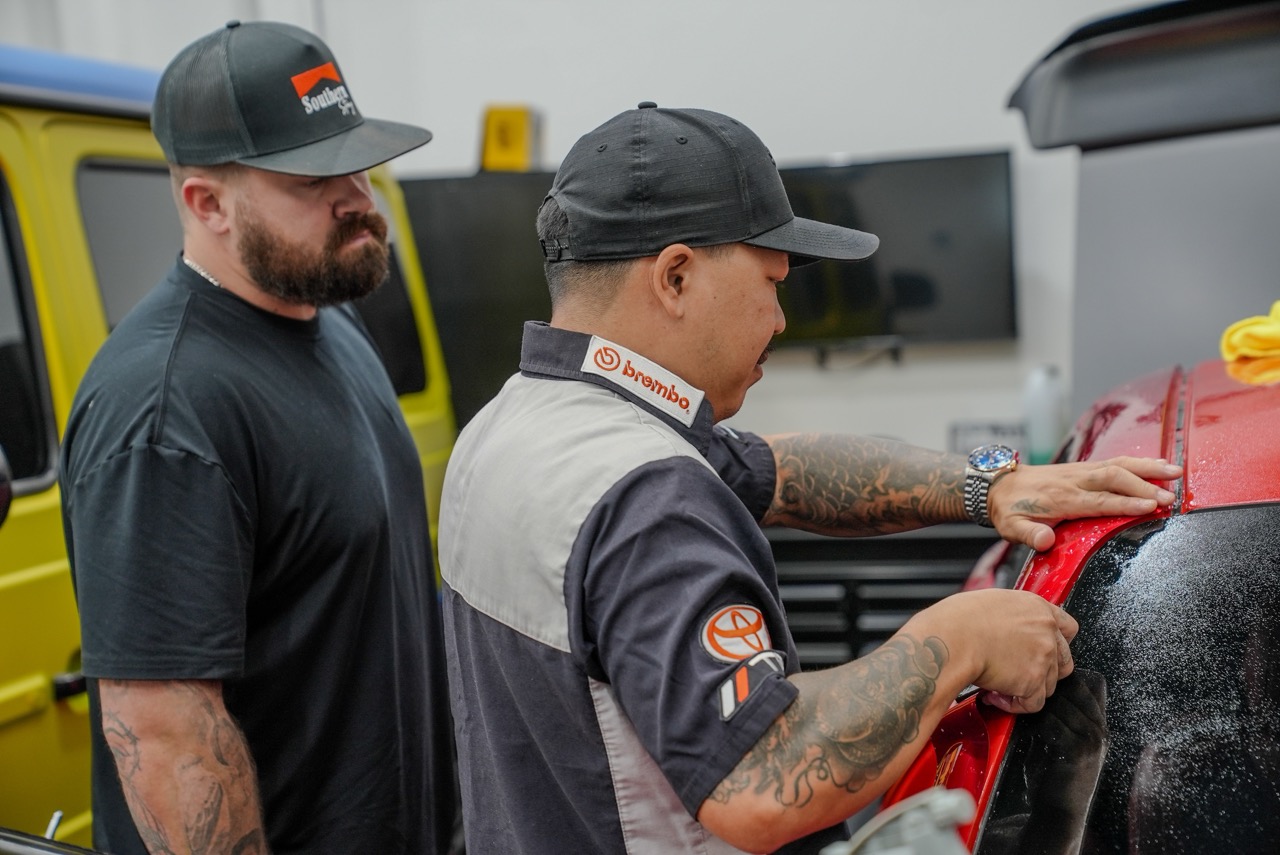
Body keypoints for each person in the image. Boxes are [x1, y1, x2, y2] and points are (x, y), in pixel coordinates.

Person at [437, 103, 1183, 854]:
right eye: (770, 280)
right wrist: (958, 638)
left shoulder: (516, 426)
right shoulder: (646, 498)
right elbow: (760, 775)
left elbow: (781, 467)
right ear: (674, 276)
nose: (780, 318)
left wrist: (984, 484)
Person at [59, 21, 455, 855]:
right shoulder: (165, 408)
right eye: (315, 179)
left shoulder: (333, 329)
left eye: (357, 162)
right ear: (207, 204)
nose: (359, 197)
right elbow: (166, 737)